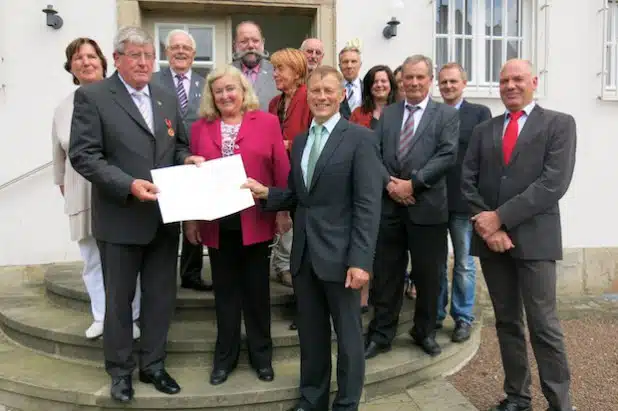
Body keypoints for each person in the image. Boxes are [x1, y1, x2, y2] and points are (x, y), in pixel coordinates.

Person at [69, 26, 204, 403]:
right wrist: (128, 185)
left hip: (164, 218)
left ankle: (154, 365)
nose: (145, 62)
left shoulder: (164, 96)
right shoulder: (93, 97)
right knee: (119, 302)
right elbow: (84, 155)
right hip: (120, 217)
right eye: (136, 55)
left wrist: (187, 159)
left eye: (149, 56)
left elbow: (176, 147)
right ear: (117, 59)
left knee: (161, 298)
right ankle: (120, 371)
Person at [242, 65, 383, 411]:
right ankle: (312, 397)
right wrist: (267, 194)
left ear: (342, 95)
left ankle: (347, 403)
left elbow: (368, 205)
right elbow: (298, 194)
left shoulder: (360, 139)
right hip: (304, 255)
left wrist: (361, 262)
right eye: (316, 90)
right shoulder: (302, 140)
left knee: (349, 337)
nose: (321, 96)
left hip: (342, 258)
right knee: (312, 334)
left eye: (328, 91)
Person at [461, 59, 576, 411]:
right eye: (504, 80)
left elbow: (553, 183)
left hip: (536, 240)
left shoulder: (558, 124)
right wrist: (487, 225)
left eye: (517, 79)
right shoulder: (485, 130)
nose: (510, 85)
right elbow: (467, 180)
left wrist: (500, 219)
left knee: (544, 325)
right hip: (491, 242)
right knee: (507, 322)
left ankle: (560, 403)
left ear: (534, 82)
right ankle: (517, 396)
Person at [184, 65, 290, 386]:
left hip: (255, 219)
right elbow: (192, 177)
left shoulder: (268, 122)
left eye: (231, 89)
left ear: (244, 91)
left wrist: (283, 211)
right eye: (219, 91)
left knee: (257, 294)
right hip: (217, 223)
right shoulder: (200, 127)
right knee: (225, 295)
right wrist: (191, 219)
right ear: (212, 97)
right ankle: (224, 359)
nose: (226, 95)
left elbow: (281, 169)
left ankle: (262, 357)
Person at [365, 55, 459, 360]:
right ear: (401, 81)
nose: (414, 83)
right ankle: (381, 334)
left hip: (427, 208)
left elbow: (446, 155)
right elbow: (373, 153)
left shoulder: (445, 115)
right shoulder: (388, 114)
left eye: (420, 77)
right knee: (386, 275)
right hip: (389, 209)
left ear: (430, 80)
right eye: (408, 77)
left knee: (428, 276)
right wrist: (391, 186)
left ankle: (425, 331)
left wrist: (412, 184)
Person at [52, 37, 140, 340]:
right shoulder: (64, 108)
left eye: (91, 56)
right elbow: (59, 159)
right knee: (92, 259)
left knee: (126, 258)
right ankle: (102, 316)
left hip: (120, 191)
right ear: (71, 67)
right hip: (82, 193)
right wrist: (69, 192)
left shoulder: (121, 96)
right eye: (78, 58)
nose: (85, 62)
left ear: (103, 62)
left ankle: (132, 316)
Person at [151, 29, 211, 292]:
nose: (180, 51)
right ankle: (161, 273)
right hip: (162, 158)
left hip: (193, 159)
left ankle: (191, 274)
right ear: (167, 52)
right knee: (164, 223)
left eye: (186, 48)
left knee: (193, 217)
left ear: (194, 54)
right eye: (175, 47)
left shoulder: (206, 83)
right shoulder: (153, 81)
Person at [436, 62, 492, 343]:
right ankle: (435, 315)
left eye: (452, 82)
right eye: (443, 82)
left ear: (464, 83)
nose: (447, 86)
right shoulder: (432, 113)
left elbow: (487, 157)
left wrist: (480, 201)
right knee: (435, 263)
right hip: (433, 200)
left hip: (463, 201)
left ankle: (462, 318)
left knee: (464, 263)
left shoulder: (479, 113)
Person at [349, 64, 397, 313]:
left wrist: (392, 182)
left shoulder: (400, 112)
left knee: (388, 247)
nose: (379, 85)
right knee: (366, 240)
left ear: (391, 84)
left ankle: (385, 293)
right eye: (375, 81)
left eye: (384, 81)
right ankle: (363, 297)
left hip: (396, 187)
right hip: (368, 185)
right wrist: (384, 179)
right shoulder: (359, 113)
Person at [268, 48, 312, 289]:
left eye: (280, 69)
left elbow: (318, 137)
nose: (274, 74)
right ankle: (285, 268)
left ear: (297, 72)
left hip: (303, 178)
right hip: (280, 176)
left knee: (302, 237)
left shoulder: (309, 97)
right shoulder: (275, 103)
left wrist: (289, 144)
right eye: (274, 68)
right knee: (284, 228)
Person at [232, 21, 278, 111]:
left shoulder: (277, 73)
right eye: (244, 41)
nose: (250, 46)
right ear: (235, 45)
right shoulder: (225, 74)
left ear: (263, 43)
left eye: (255, 41)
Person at [338, 41, 363, 119]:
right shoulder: (334, 89)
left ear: (360, 64)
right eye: (345, 62)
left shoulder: (368, 88)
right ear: (339, 65)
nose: (349, 66)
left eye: (353, 61)